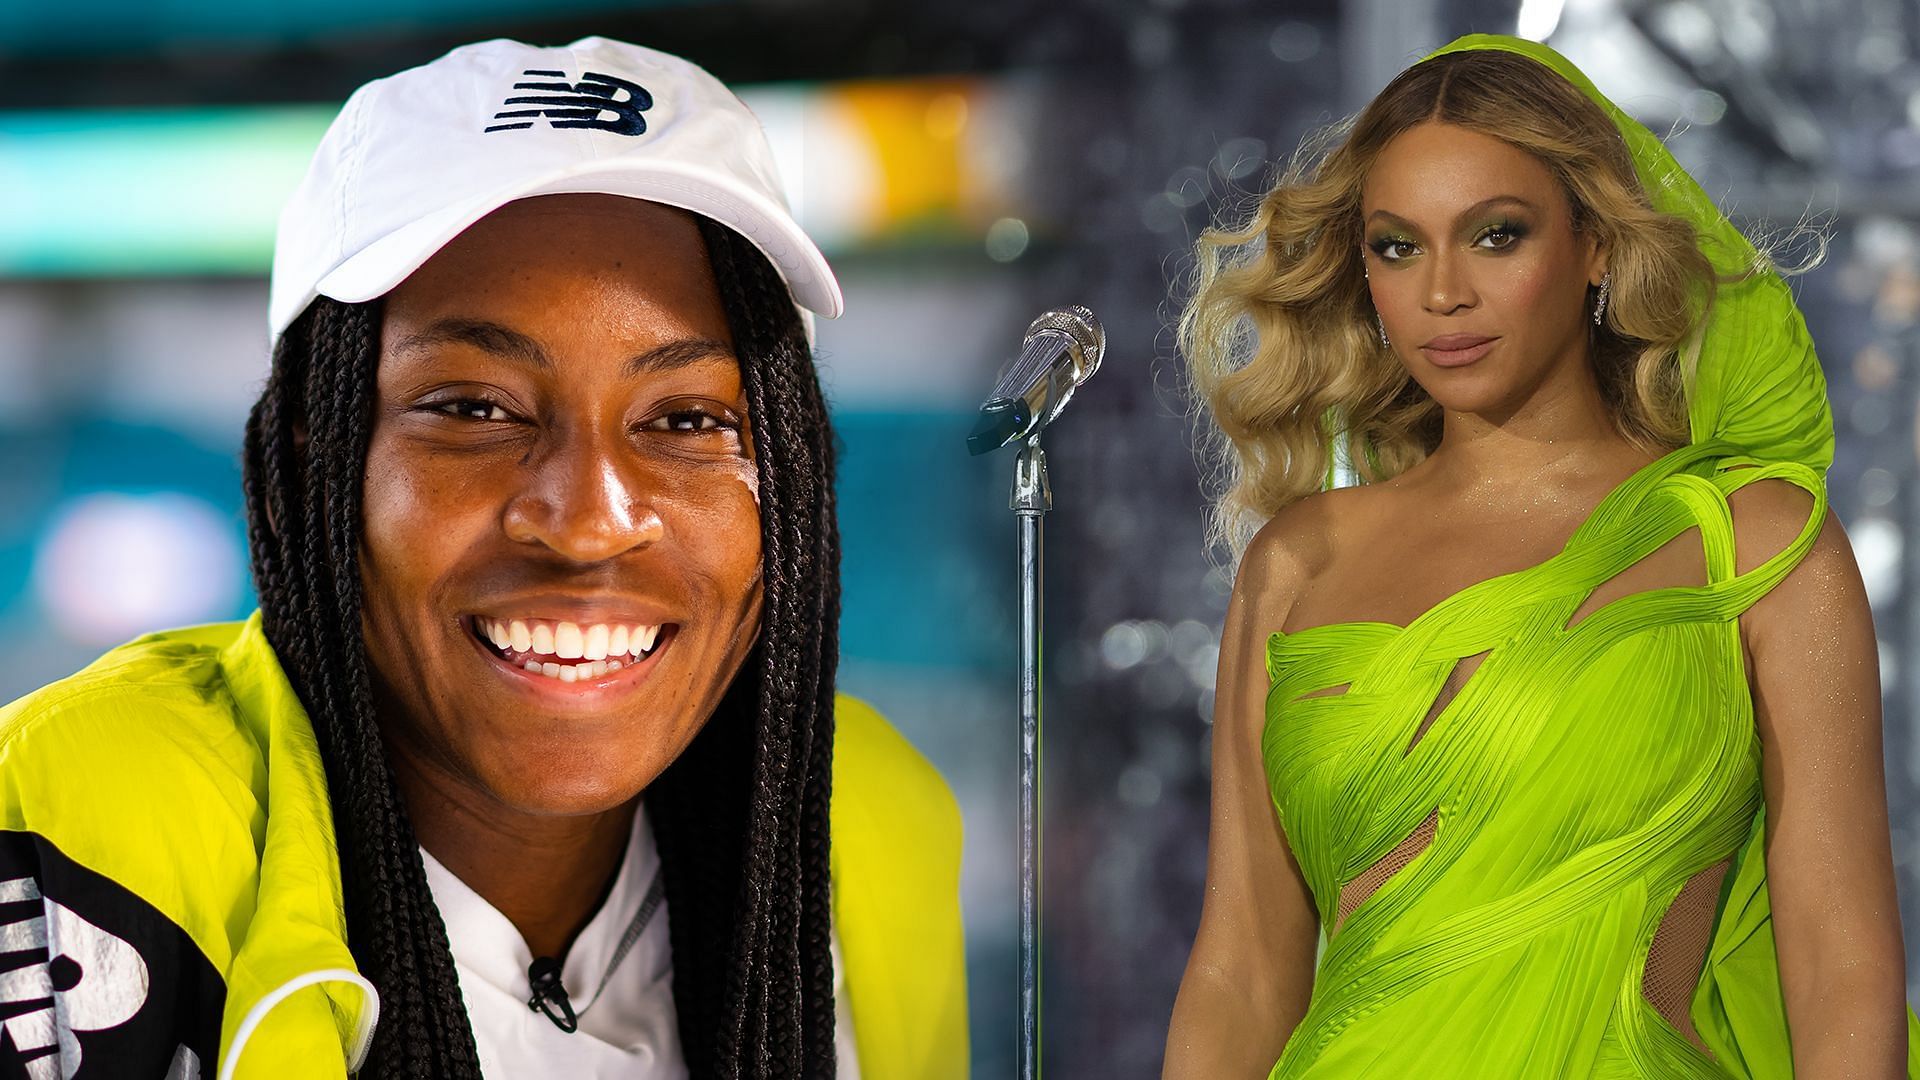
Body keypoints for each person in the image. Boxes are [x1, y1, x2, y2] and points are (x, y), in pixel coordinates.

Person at [0, 36, 967, 1079]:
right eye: (473, 408)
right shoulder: (76, 815)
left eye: (687, 419)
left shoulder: (867, 816)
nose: (590, 521)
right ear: (311, 465)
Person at [1166, 33, 1916, 1078]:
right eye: (1397, 247)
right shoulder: (1299, 563)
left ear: (1595, 244)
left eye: (1496, 235)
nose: (1442, 293)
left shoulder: (1751, 545)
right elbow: (1239, 973)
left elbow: (1843, 974)